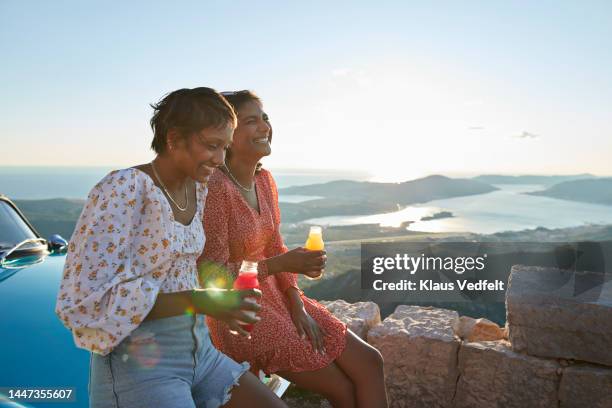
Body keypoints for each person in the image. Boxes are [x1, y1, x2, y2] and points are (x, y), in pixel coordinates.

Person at [55, 87, 287, 408]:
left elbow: (181, 274)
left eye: (225, 147)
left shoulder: (198, 187)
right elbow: (83, 302)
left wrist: (221, 305)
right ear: (175, 138)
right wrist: (200, 301)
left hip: (200, 352)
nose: (220, 159)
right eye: (211, 145)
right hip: (138, 365)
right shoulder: (123, 189)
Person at [198, 90, 388, 407]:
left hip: (279, 297)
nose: (264, 127)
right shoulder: (215, 189)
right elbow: (214, 278)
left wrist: (295, 301)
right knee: (342, 389)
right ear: (227, 135)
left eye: (265, 118)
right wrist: (281, 264)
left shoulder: (264, 180)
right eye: (251, 121)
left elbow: (274, 244)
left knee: (371, 362)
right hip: (242, 312)